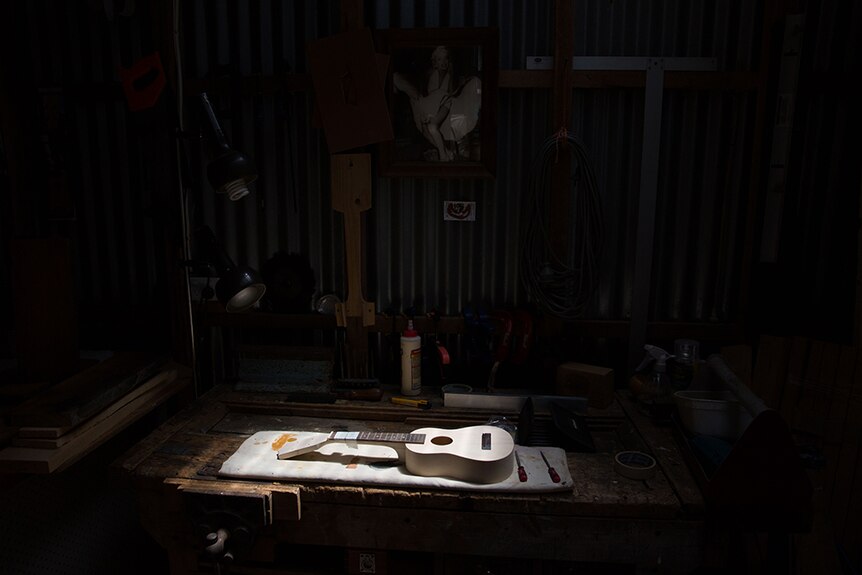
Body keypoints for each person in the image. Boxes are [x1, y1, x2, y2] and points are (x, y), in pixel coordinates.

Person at [393, 46, 481, 162]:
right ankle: (446, 153)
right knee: (425, 128)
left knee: (432, 127)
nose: (443, 62)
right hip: (433, 106)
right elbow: (428, 95)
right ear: (435, 62)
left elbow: (450, 95)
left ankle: (444, 155)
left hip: (446, 104)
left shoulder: (450, 74)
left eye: (445, 59)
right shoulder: (430, 75)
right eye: (440, 59)